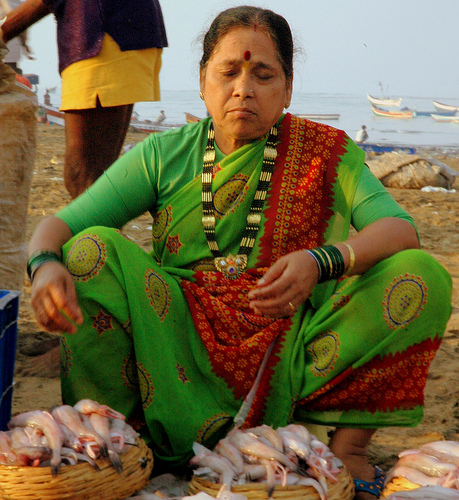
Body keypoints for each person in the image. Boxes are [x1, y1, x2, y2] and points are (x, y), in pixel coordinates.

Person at [26, 6, 452, 499]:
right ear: (204, 81)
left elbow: (399, 229)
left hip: (292, 346)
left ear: (288, 89)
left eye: (263, 74)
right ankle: (114, 441)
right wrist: (44, 266)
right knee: (88, 251)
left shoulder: (329, 153)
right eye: (228, 72)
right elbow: (59, 227)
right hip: (175, 342)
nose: (243, 88)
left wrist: (322, 261)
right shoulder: (164, 154)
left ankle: (348, 449)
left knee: (420, 275)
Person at [1, 0, 168, 199]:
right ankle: (100, 229)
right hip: (122, 32)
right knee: (100, 176)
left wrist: (5, 31)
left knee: (82, 176)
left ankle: (95, 231)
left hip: (101, 38)